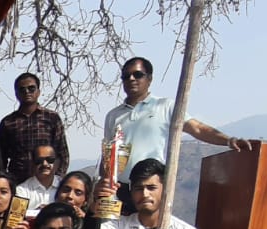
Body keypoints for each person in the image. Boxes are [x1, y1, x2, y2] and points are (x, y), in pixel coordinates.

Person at [103, 57, 251, 170]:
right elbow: (107, 155)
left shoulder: (165, 106)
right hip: (118, 190)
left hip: (152, 187)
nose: (131, 79)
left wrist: (228, 141)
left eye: (137, 74)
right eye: (126, 76)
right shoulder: (113, 116)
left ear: (149, 79)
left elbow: (197, 129)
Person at [0, 72, 69, 184]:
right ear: (16, 93)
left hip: (46, 183)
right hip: (18, 182)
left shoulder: (51, 118)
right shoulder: (8, 122)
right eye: (22, 89)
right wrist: (5, 182)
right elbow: (1, 158)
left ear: (38, 92)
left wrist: (57, 179)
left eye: (31, 88)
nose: (27, 92)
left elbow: (62, 154)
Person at [15, 144, 59, 210]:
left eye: (50, 160)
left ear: (57, 162)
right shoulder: (21, 191)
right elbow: (17, 215)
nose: (44, 164)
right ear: (32, 163)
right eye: (39, 160)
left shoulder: (64, 186)